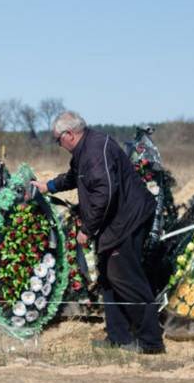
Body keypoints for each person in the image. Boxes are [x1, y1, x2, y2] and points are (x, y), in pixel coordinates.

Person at [32, 111, 165, 354]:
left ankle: (151, 342)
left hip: (127, 221)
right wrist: (48, 186)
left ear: (69, 135)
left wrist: (87, 230)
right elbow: (74, 177)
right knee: (108, 277)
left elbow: (104, 194)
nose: (58, 144)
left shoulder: (94, 151)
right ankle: (118, 337)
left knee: (127, 278)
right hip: (116, 221)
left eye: (57, 139)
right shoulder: (85, 149)